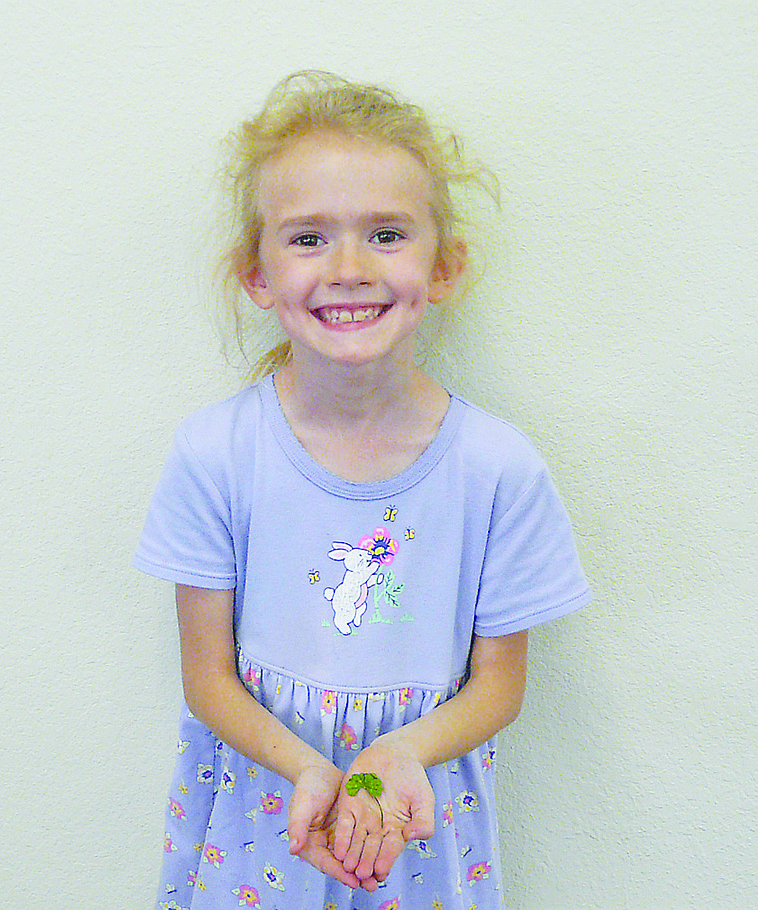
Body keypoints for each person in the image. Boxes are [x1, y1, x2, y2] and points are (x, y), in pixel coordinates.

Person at [134, 70, 590, 910]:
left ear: (443, 266)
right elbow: (207, 679)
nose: (348, 268)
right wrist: (309, 769)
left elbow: (500, 684)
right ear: (257, 273)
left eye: (386, 234)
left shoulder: (498, 469)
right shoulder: (215, 454)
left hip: (420, 821)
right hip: (260, 812)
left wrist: (394, 759)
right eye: (308, 238)